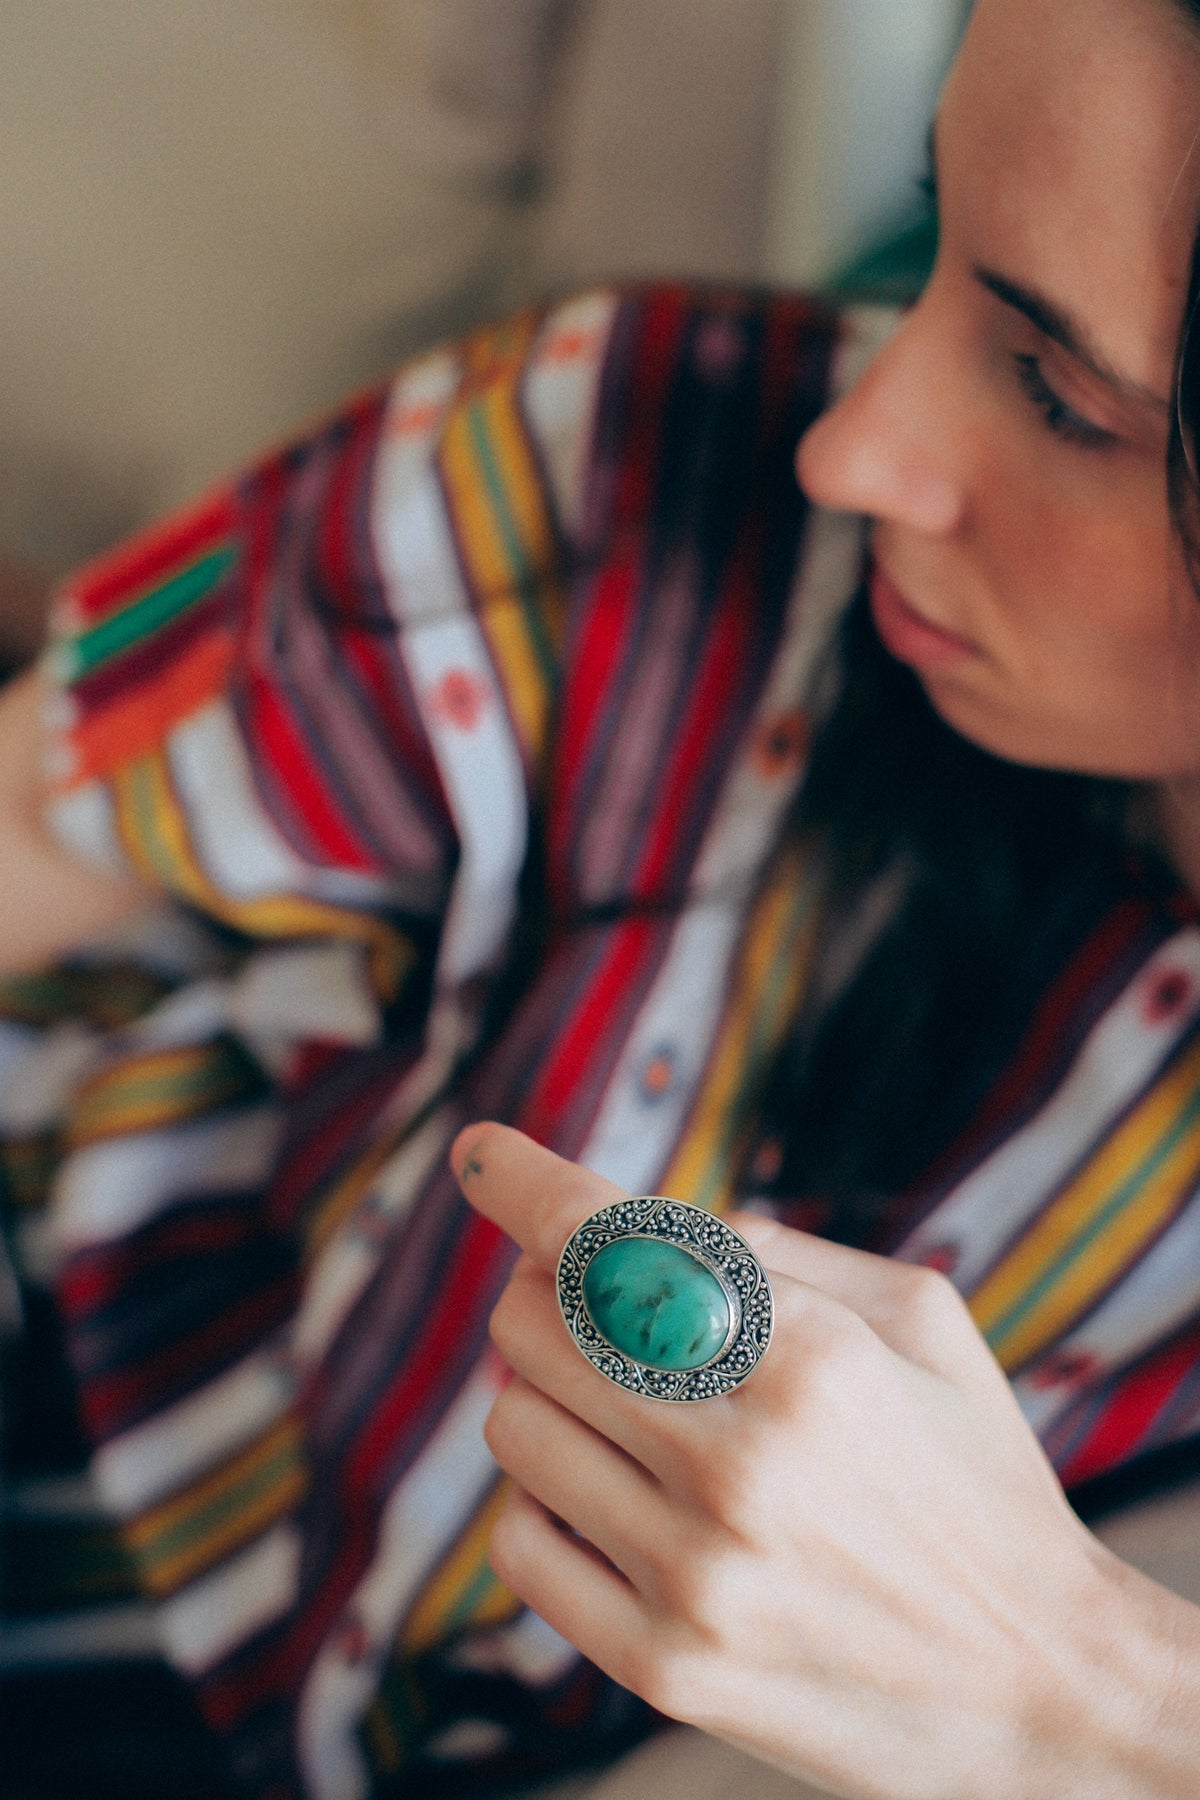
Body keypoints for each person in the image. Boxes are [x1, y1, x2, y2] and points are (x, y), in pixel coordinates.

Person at [7, 0, 1200, 1796]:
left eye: (1058, 394)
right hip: (118, 1399)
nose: (857, 441)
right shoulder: (650, 443)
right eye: (932, 231)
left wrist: (1098, 1704)